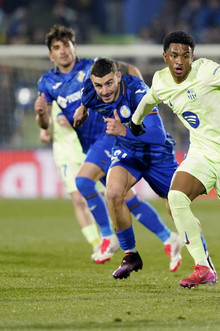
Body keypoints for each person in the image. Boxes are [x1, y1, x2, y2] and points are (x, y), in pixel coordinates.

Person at [129, 31, 220, 288]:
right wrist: (135, 122)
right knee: (176, 197)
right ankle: (203, 267)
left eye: (185, 55)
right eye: (174, 55)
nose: (179, 61)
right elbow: (149, 99)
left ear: (192, 57)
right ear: (165, 57)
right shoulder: (160, 80)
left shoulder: (206, 71)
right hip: (201, 153)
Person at [34, 24, 176, 267]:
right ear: (51, 54)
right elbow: (45, 122)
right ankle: (169, 237)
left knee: (82, 181)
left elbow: (130, 69)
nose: (63, 51)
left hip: (110, 135)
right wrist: (41, 117)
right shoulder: (47, 82)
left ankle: (107, 238)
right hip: (89, 144)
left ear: (74, 47)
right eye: (57, 48)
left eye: (66, 45)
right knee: (123, 198)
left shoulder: (94, 65)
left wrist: (138, 107)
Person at [77, 57, 183, 278]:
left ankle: (204, 262)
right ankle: (130, 255)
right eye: (98, 85)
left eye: (108, 83)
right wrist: (82, 110)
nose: (104, 91)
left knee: (178, 208)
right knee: (114, 193)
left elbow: (158, 135)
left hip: (157, 154)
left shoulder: (137, 91)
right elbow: (87, 98)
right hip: (127, 151)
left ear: (118, 77)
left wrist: (123, 131)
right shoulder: (90, 89)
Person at [38, 101, 102, 260]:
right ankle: (96, 243)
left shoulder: (82, 82)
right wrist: (43, 128)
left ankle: (107, 237)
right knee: (78, 199)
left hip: (89, 149)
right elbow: (42, 112)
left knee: (103, 197)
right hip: (65, 154)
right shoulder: (49, 85)